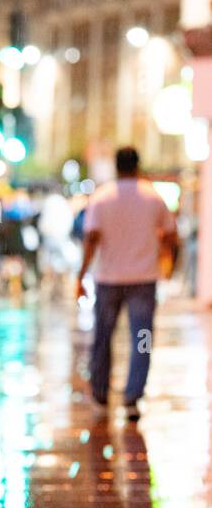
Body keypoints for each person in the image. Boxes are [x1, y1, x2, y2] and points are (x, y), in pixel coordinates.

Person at [76, 146, 178, 421]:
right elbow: (171, 235)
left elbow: (91, 239)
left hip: (109, 279)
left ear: (116, 166)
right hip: (143, 279)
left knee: (103, 337)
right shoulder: (153, 197)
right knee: (142, 339)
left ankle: (100, 392)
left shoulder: (102, 197)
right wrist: (165, 260)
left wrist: (81, 275)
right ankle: (133, 395)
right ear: (137, 164)